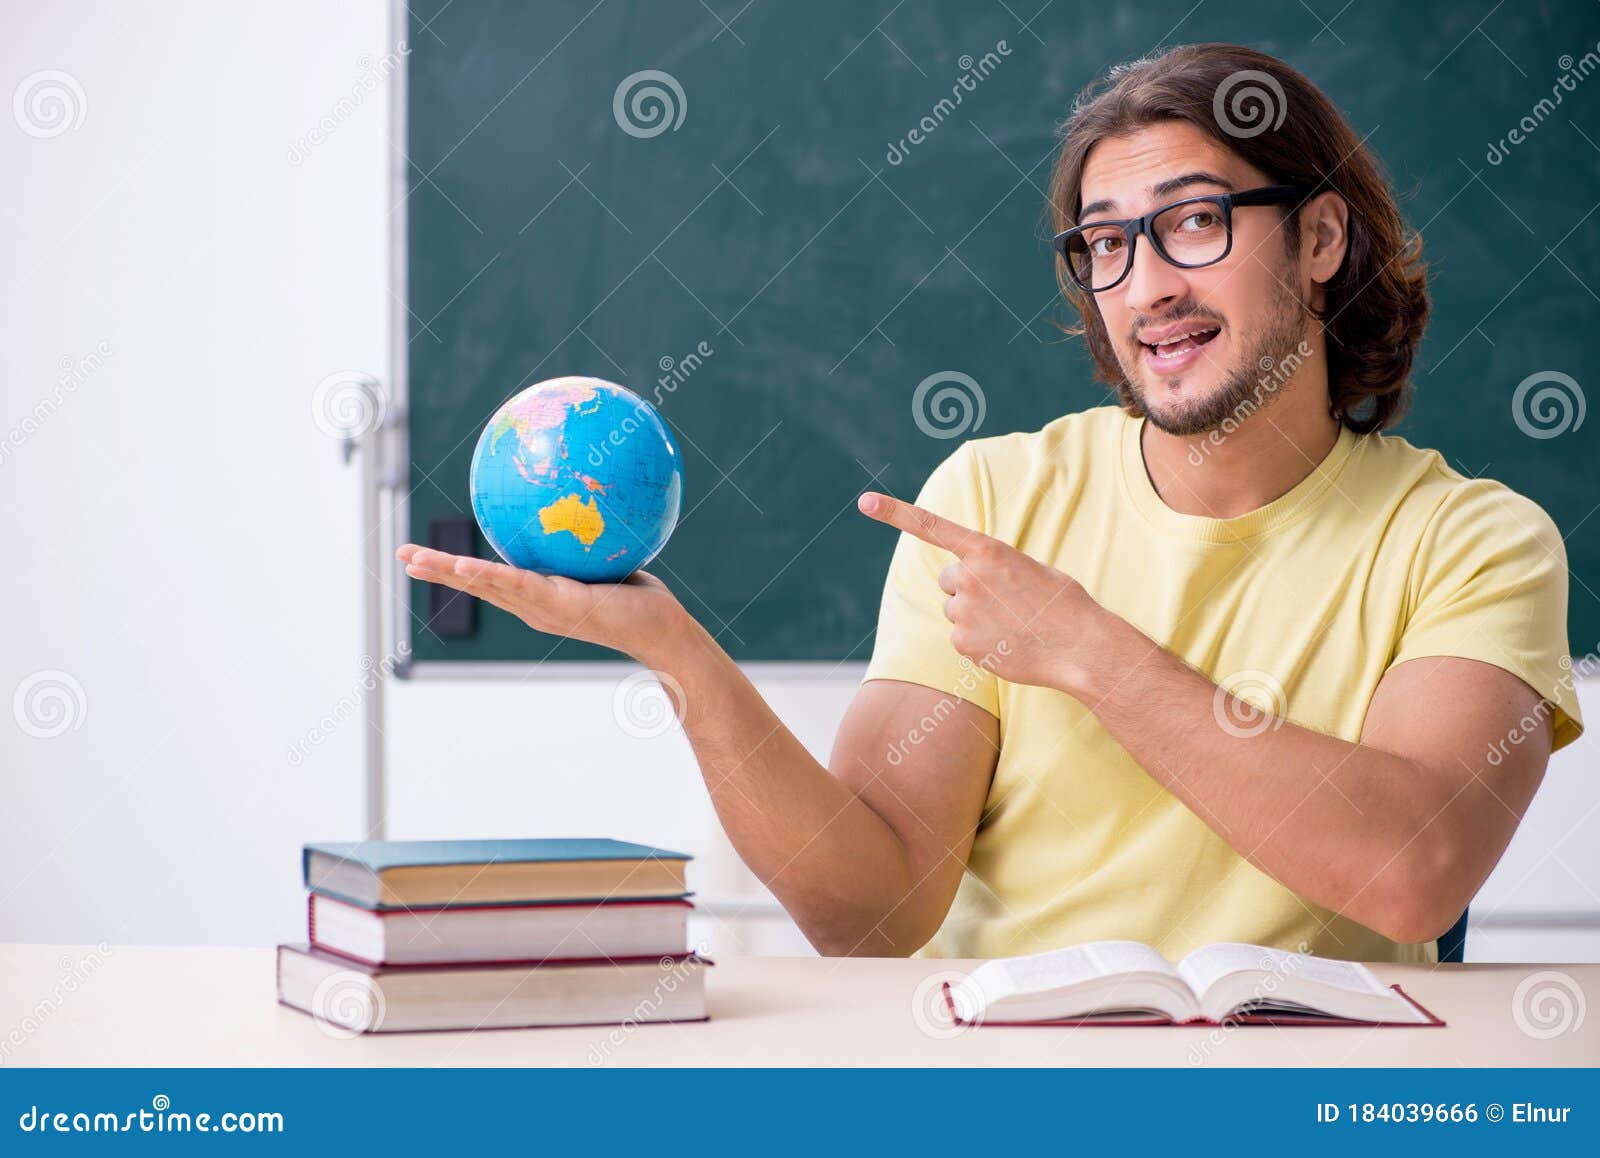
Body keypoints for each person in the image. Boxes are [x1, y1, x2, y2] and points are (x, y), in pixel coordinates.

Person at [400, 43, 1582, 963]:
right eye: (1104, 245)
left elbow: (1413, 872)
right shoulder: (991, 502)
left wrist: (1087, 652)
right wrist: (679, 655)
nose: (1148, 287)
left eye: (1192, 223)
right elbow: (874, 914)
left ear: (1319, 235)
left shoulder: (1474, 544)